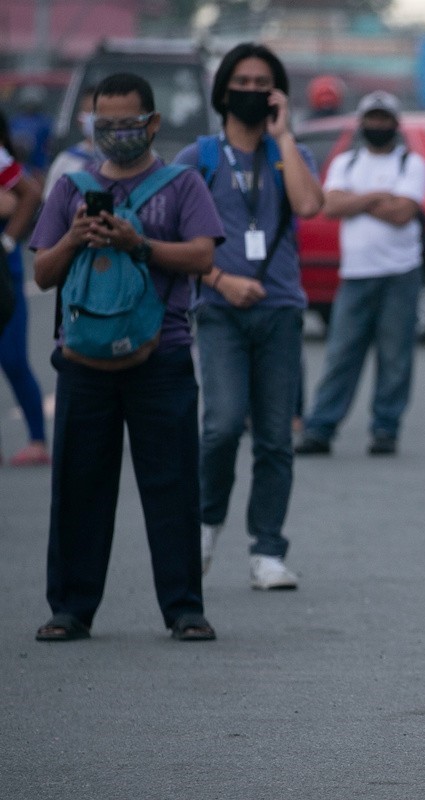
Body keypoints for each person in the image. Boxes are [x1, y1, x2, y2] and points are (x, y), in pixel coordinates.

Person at [29, 72, 224, 641]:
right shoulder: (70, 190)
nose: (116, 134)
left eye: (127, 123)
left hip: (161, 356)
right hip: (83, 360)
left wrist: (135, 242)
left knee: (173, 487)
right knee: (78, 487)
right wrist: (75, 237)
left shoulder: (182, 184)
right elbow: (42, 273)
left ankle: (185, 608)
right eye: (104, 124)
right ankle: (70, 609)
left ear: (152, 124)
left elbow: (200, 256)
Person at [175, 43, 324, 588]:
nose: (254, 90)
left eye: (264, 82)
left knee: (275, 439)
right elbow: (166, 234)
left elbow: (309, 207)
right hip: (218, 310)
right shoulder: (199, 158)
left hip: (281, 310)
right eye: (244, 80)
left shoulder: (292, 155)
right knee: (219, 426)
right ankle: (206, 523)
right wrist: (218, 279)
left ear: (277, 93)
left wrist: (284, 135)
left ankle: (267, 550)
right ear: (224, 91)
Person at [294, 91, 425, 457]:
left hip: (400, 272)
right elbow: (332, 205)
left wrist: (358, 201)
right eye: (372, 118)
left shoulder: (411, 163)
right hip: (356, 273)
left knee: (395, 355)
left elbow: (404, 213)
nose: (378, 125)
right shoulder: (346, 162)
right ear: (362, 122)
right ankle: (320, 428)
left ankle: (385, 429)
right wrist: (377, 197)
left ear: (395, 124)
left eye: (385, 119)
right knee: (342, 353)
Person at [0, 110, 48, 466]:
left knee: (13, 357)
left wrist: (7, 241)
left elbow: (28, 193)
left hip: (5, 274)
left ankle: (37, 439)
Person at [43, 88, 100, 200]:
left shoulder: (122, 161)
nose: (94, 116)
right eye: (89, 111)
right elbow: (50, 202)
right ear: (79, 119)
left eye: (98, 111)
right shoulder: (66, 159)